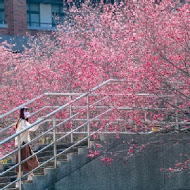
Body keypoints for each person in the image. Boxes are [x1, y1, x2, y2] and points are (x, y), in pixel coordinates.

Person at [15, 107, 40, 188]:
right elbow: (31, 128)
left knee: (29, 159)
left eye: (27, 111)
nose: (27, 113)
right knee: (22, 163)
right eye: (25, 111)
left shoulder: (23, 121)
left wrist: (38, 121)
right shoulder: (22, 122)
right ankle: (18, 181)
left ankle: (29, 175)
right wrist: (39, 121)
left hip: (24, 144)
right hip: (22, 144)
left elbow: (30, 127)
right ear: (22, 113)